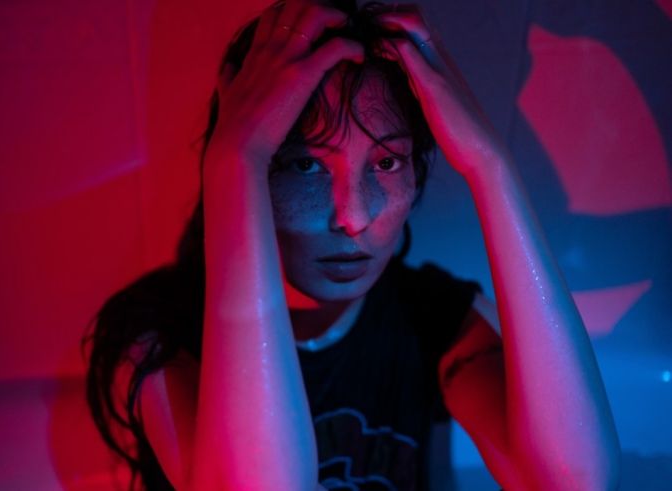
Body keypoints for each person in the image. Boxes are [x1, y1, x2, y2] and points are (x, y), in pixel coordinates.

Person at [85, 1, 621, 489]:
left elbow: (574, 482)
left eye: (387, 162)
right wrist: (233, 161)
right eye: (305, 164)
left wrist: (490, 166)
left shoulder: (429, 316)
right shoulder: (157, 332)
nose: (354, 216)